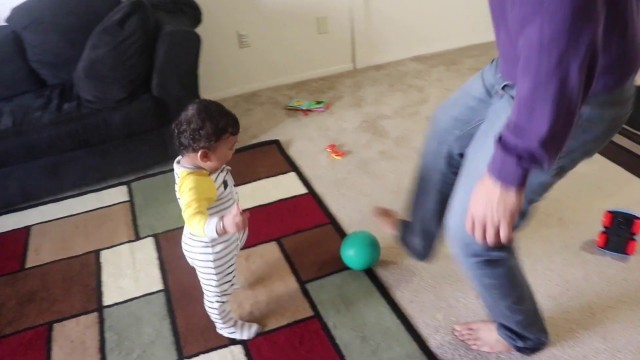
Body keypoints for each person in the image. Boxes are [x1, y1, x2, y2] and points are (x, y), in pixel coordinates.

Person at [374, 1, 640, 355]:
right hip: (520, 64)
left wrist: (506, 174)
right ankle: (419, 236)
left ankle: (521, 334)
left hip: (576, 93)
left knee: (473, 233)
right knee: (446, 132)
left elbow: (556, 64)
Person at [172, 99, 261, 340]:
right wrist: (224, 225)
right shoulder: (194, 184)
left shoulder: (199, 165)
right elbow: (194, 220)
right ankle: (225, 324)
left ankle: (229, 277)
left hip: (221, 240)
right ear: (204, 155)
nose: (235, 150)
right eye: (231, 147)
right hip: (210, 249)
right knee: (217, 294)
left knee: (228, 269)